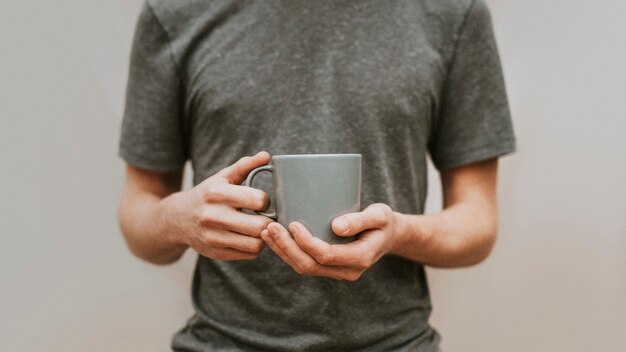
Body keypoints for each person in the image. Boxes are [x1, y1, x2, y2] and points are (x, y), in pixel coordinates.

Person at [118, 0, 516, 351]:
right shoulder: (173, 12)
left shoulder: (453, 13)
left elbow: (478, 224)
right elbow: (140, 212)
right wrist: (177, 219)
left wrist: (399, 233)